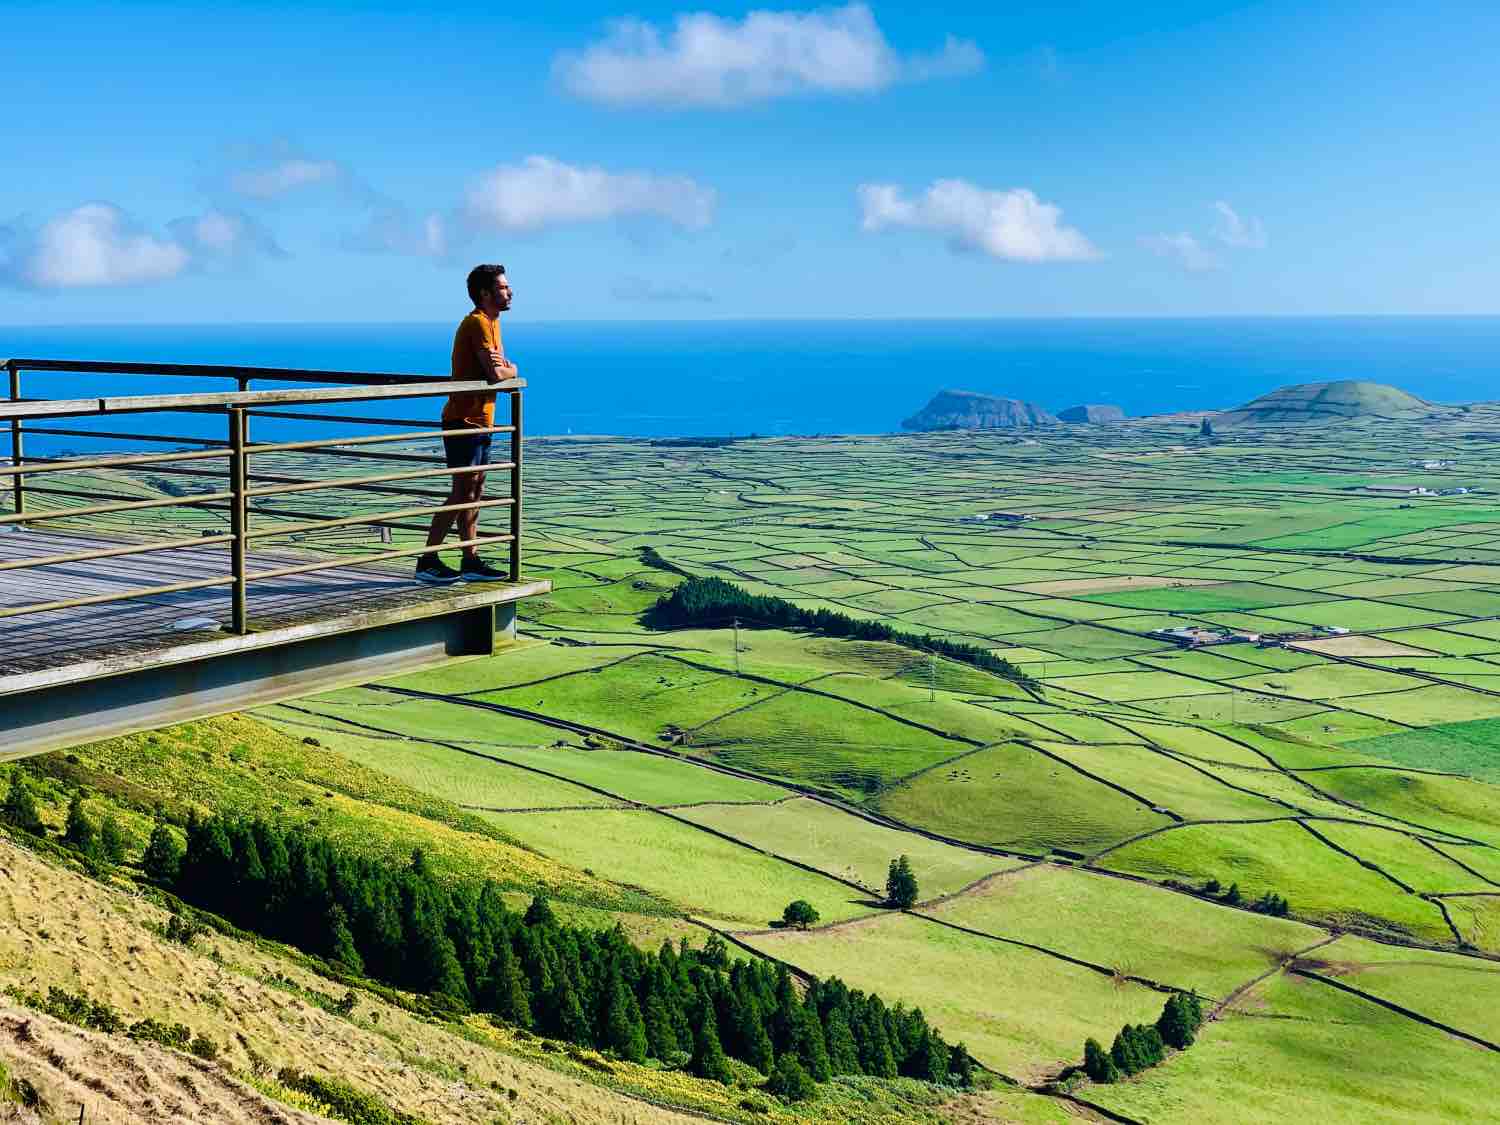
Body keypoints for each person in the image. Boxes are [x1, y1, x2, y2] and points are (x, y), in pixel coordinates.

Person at [414, 263, 517, 584]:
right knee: (462, 491)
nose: (509, 291)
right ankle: (427, 560)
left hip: (480, 421)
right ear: (485, 293)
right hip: (464, 420)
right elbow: (496, 373)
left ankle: (469, 558)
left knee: (474, 490)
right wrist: (511, 369)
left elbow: (498, 368)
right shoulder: (477, 324)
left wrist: (505, 367)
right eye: (502, 287)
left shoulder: (491, 323)